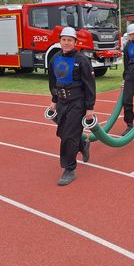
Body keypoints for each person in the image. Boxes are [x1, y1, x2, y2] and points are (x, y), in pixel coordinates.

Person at [48, 27, 95, 186]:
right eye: (64, 40)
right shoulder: (54, 58)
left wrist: (89, 107)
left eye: (70, 40)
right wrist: (54, 100)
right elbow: (53, 82)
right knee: (63, 133)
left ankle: (69, 169)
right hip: (61, 102)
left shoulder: (82, 60)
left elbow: (90, 85)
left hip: (77, 103)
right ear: (60, 41)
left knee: (68, 136)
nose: (66, 43)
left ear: (75, 42)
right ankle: (83, 145)